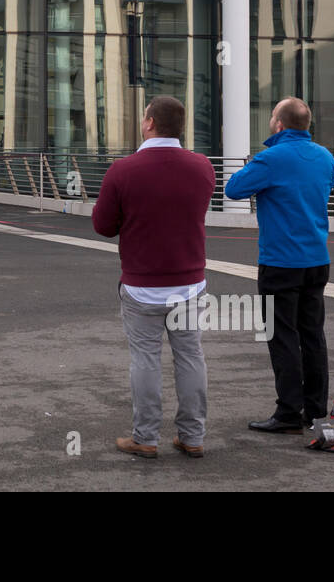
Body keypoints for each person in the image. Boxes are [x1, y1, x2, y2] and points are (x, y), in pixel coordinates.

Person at [92, 96, 216, 459]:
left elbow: (103, 226)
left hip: (142, 285)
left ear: (149, 123)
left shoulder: (122, 170)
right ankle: (192, 436)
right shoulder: (202, 167)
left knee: (145, 360)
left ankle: (145, 437)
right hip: (189, 282)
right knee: (191, 356)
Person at [224, 97, 334, 434]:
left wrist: (258, 167)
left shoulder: (271, 158)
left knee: (282, 336)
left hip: (280, 261)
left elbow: (233, 189)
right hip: (317, 259)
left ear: (279, 125)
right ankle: (315, 410)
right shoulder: (325, 157)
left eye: (272, 117)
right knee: (313, 335)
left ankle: (288, 411)